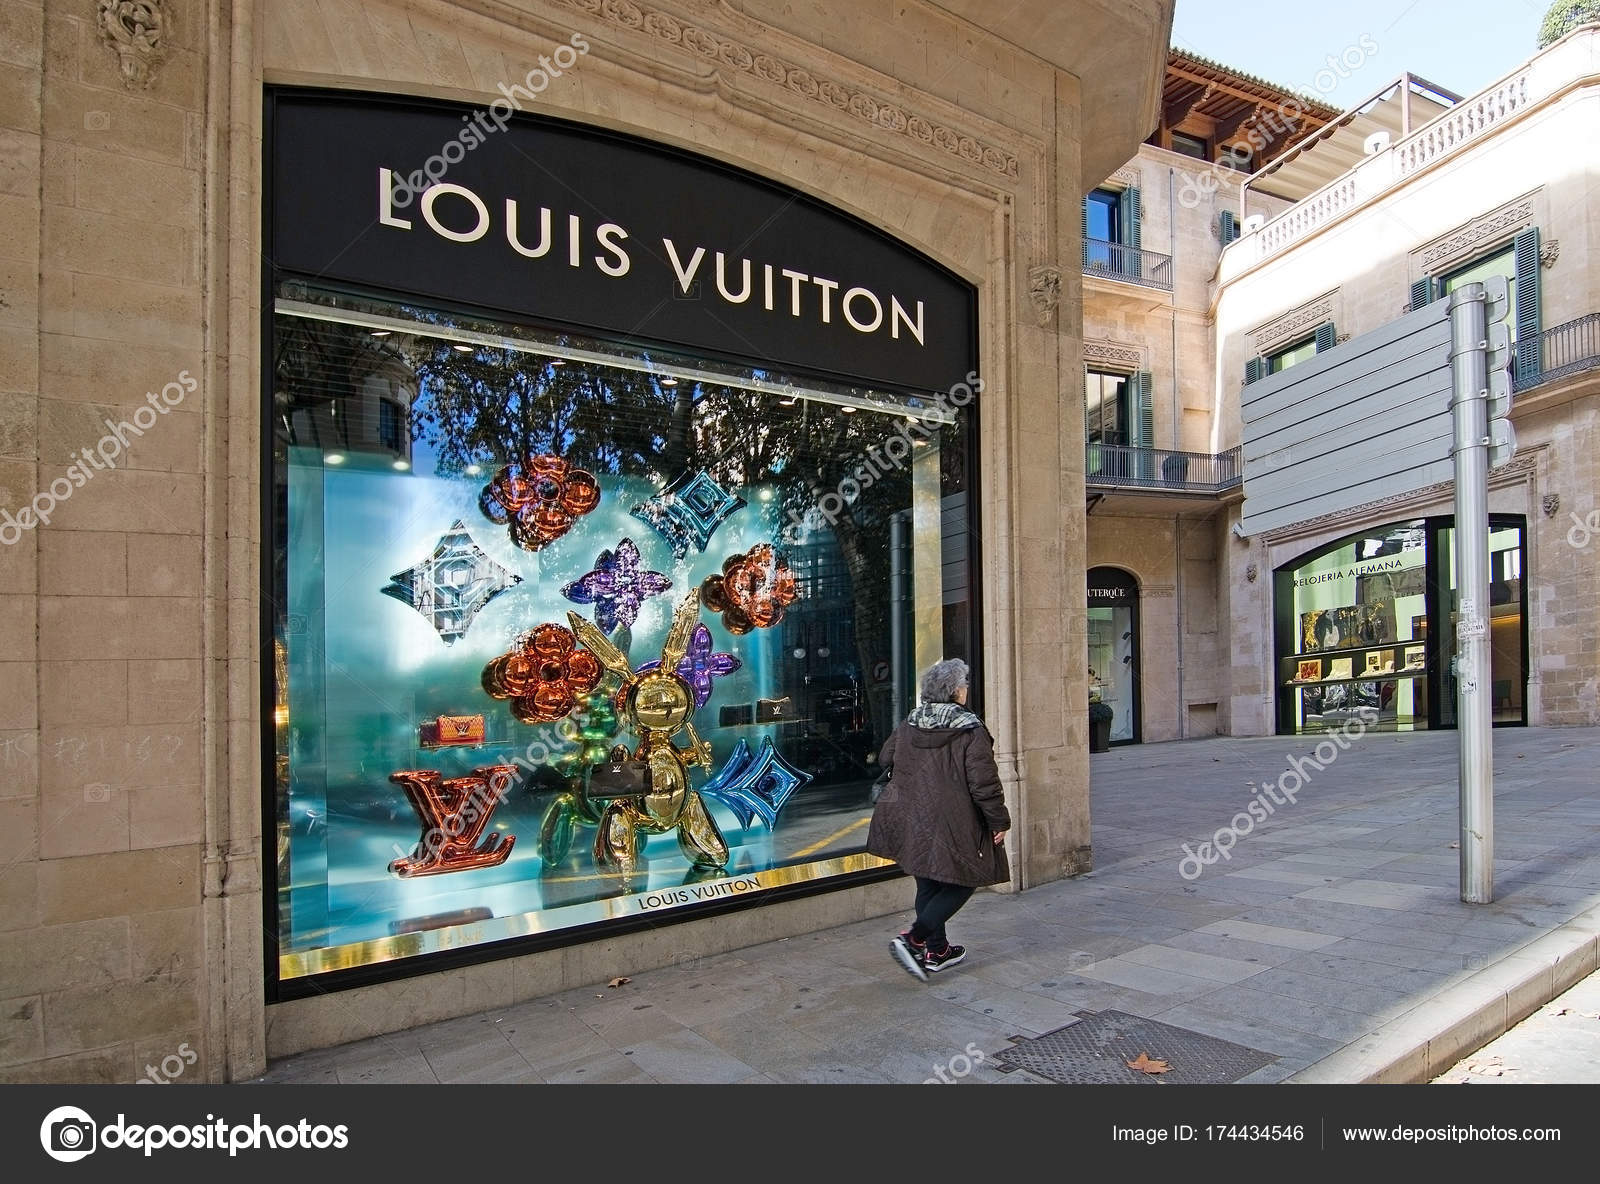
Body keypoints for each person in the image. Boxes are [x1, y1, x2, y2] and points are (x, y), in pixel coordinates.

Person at [867, 658, 1010, 981]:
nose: (966, 690)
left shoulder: (910, 723)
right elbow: (984, 784)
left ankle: (938, 950)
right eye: (964, 685)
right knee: (969, 875)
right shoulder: (969, 729)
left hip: (910, 814)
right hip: (953, 818)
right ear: (956, 691)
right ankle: (914, 938)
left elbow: (886, 758)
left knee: (928, 879)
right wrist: (997, 821)